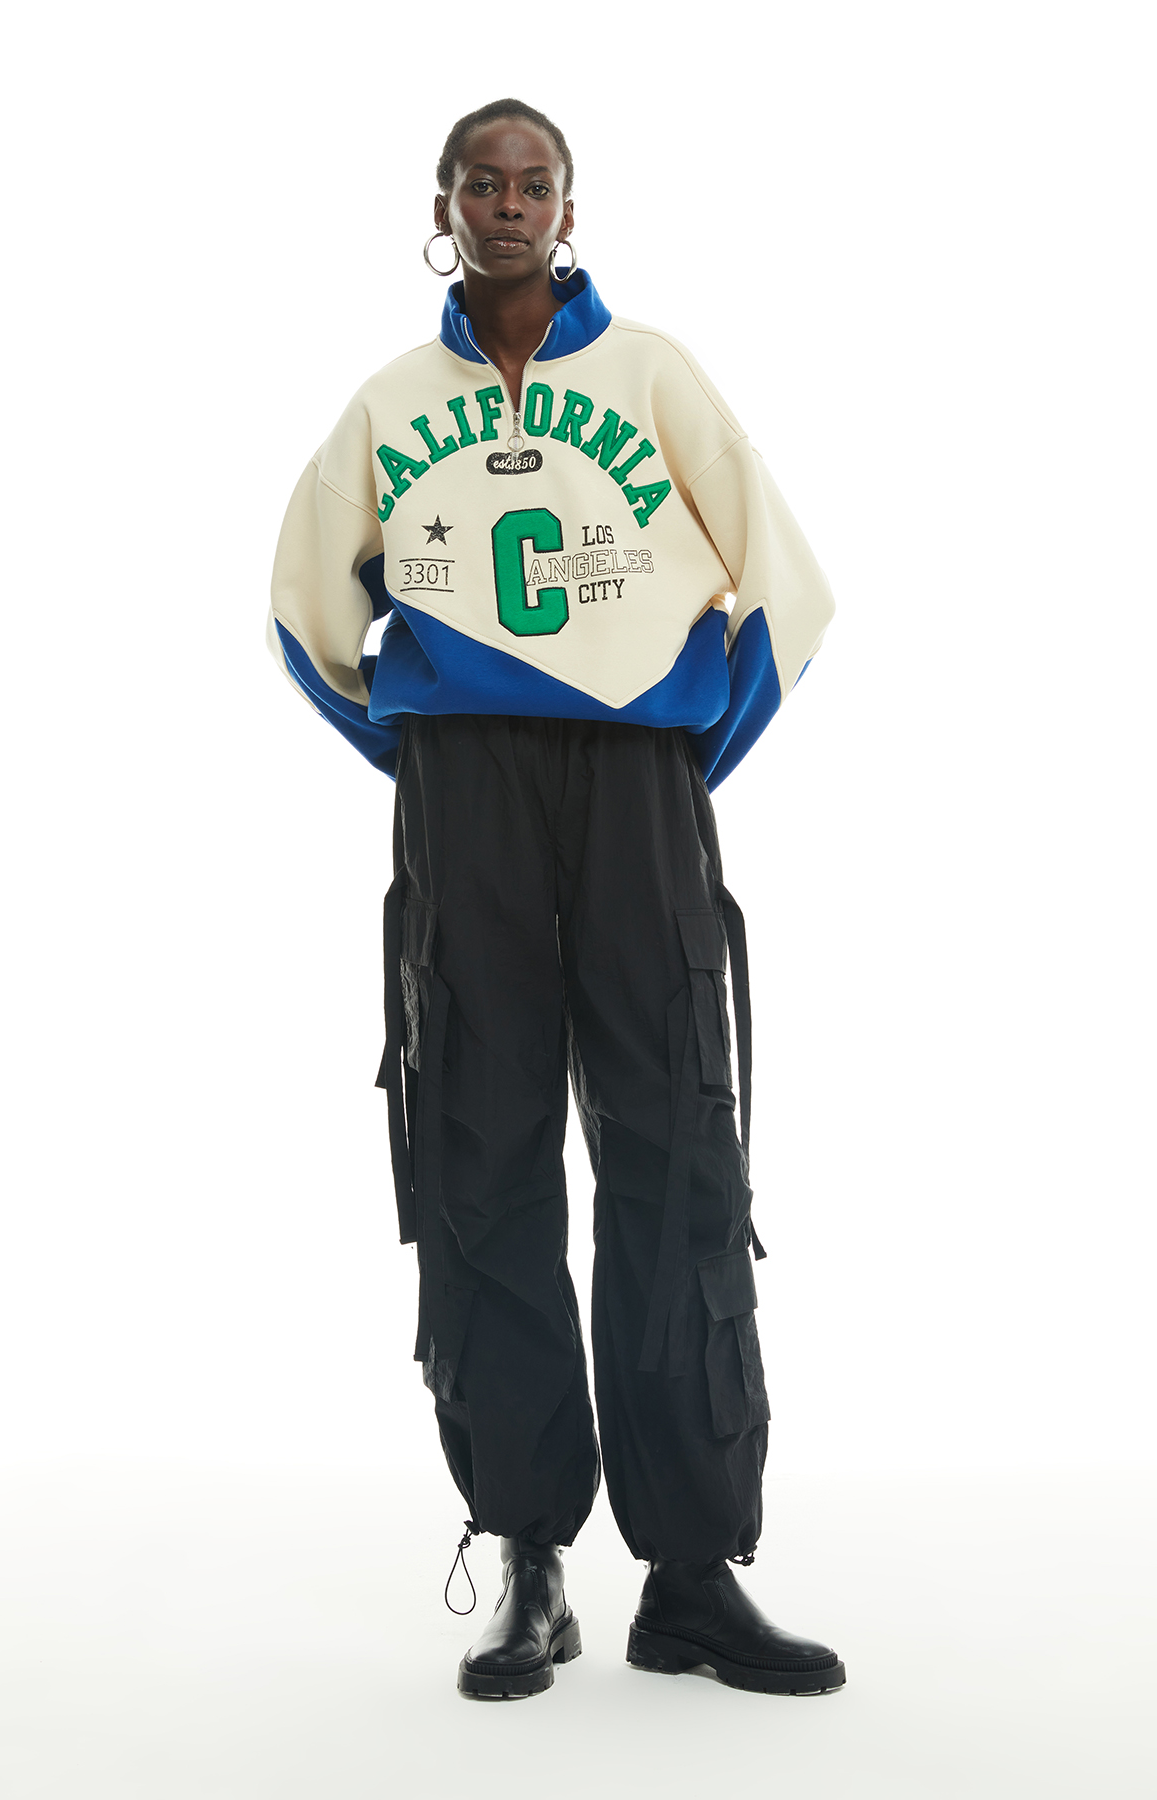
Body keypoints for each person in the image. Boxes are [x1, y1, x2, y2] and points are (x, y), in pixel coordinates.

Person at [268, 98, 844, 1701]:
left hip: (637, 789)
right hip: (470, 800)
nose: (508, 204)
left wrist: (679, 753)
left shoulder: (653, 373)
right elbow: (304, 611)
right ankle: (529, 1556)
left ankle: (690, 1574)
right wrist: (422, 751)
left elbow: (787, 591)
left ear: (569, 208)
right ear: (442, 206)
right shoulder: (391, 404)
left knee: (676, 1146)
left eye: (534, 183)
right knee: (482, 1145)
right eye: (482, 181)